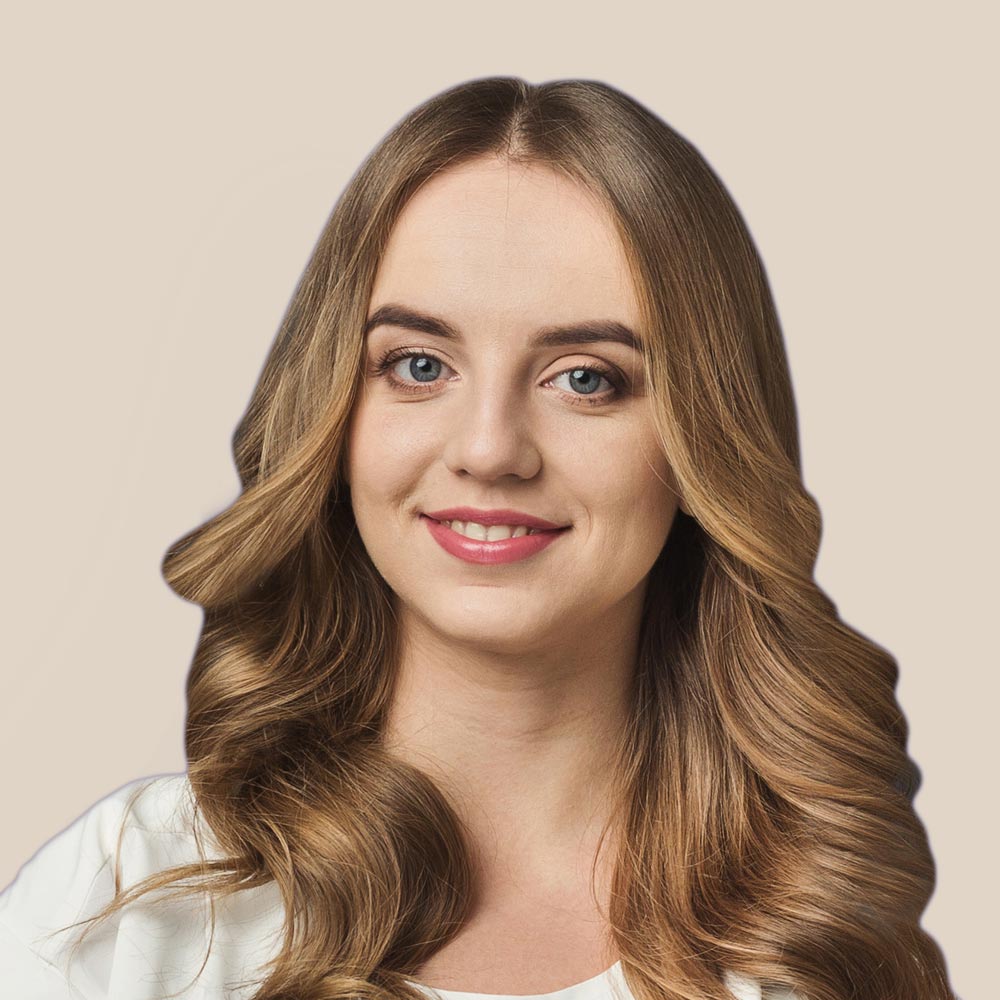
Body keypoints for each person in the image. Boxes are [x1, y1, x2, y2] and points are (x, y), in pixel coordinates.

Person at [0, 76, 957, 1000]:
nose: (491, 449)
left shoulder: (813, 939)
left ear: (702, 442)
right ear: (334, 416)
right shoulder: (131, 905)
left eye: (586, 378)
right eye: (419, 365)